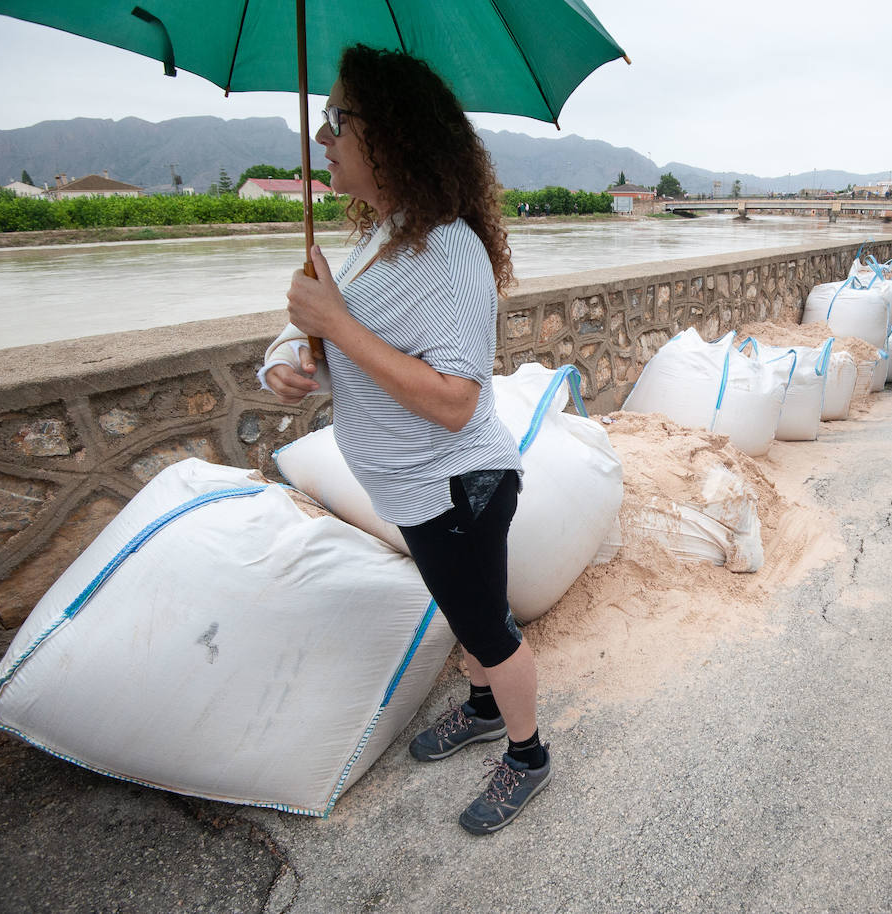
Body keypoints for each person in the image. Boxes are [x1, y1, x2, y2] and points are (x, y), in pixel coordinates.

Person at [258, 45, 549, 835]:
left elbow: (457, 401)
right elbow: (319, 342)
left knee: (487, 627)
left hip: (459, 485)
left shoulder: (448, 249)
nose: (323, 138)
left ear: (388, 134)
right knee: (469, 610)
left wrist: (339, 325)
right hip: (420, 490)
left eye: (337, 119)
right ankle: (485, 707)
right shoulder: (380, 237)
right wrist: (287, 362)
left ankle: (528, 757)